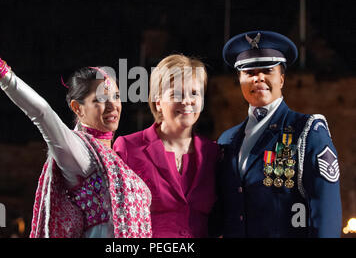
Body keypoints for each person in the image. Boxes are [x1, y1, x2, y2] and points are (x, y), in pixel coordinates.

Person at [0, 20, 152, 238]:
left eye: (116, 96)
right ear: (78, 108)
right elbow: (42, 112)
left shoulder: (121, 164)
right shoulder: (80, 153)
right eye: (100, 99)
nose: (112, 105)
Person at [210, 30, 342, 238]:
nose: (258, 78)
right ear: (240, 79)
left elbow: (326, 212)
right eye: (249, 72)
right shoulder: (227, 139)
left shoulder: (307, 132)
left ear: (281, 78)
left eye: (267, 70)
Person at [113, 54, 221, 238]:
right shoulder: (128, 148)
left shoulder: (213, 152)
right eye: (176, 93)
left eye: (194, 93)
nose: (187, 101)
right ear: (158, 102)